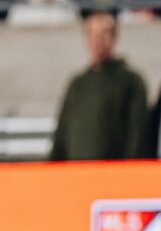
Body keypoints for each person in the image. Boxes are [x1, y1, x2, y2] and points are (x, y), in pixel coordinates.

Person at [50, 13, 151, 161]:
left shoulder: (131, 82)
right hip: (75, 172)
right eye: (92, 35)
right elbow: (62, 133)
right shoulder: (77, 84)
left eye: (104, 34)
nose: (97, 41)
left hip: (114, 173)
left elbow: (137, 135)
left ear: (114, 38)